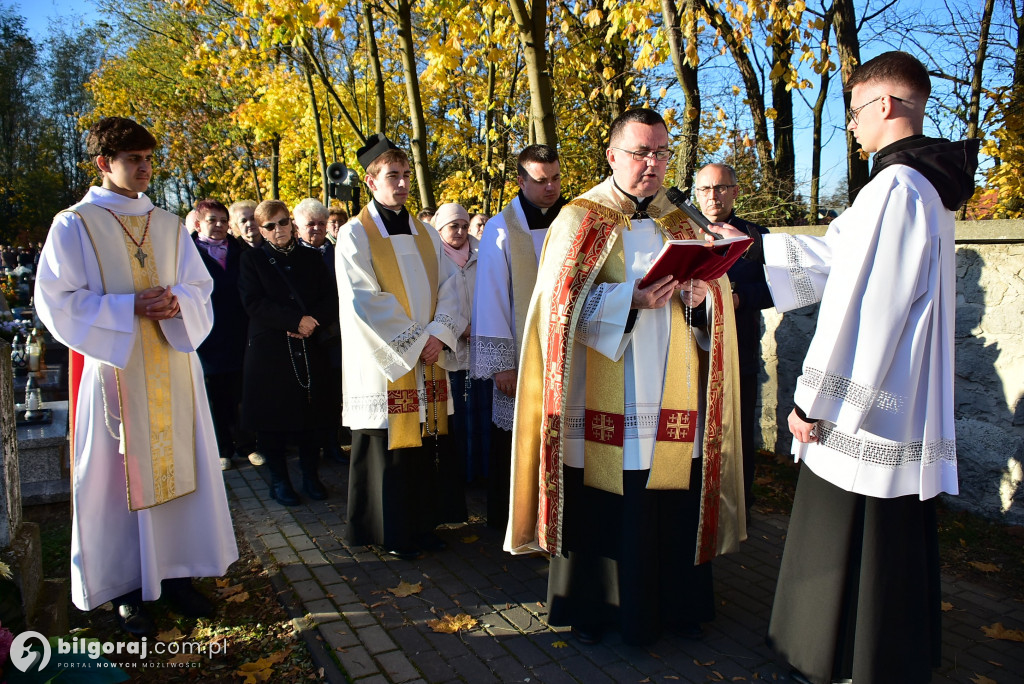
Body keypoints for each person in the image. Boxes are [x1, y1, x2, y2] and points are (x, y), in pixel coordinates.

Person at [716, 52, 977, 684]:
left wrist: (814, 402)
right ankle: (885, 651)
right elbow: (839, 255)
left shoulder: (895, 188)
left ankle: (836, 654)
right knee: (888, 532)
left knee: (850, 526)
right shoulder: (924, 188)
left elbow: (868, 309)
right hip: (900, 397)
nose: (852, 128)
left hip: (869, 404)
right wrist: (746, 251)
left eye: (856, 111)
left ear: (886, 105)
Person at [506, 109, 746, 647]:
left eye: (662, 153)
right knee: (610, 497)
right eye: (641, 153)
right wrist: (628, 300)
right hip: (604, 391)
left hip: (671, 391)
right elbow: (556, 312)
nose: (653, 164)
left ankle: (678, 606)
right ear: (612, 155)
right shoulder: (578, 217)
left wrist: (703, 300)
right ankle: (599, 610)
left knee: (668, 494)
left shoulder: (684, 223)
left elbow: (719, 308)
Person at [34, 117, 237, 637]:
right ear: (105, 164)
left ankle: (177, 576)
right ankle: (125, 589)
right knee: (113, 479)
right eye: (133, 160)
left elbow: (199, 287)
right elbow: (55, 301)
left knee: (183, 464)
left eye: (149, 158)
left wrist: (179, 301)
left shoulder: (169, 224)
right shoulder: (73, 225)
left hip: (173, 367)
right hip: (115, 373)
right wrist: (128, 308)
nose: (145, 168)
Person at [336, 134, 466, 560]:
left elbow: (453, 287)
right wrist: (416, 342)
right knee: (389, 447)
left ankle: (423, 524)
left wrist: (439, 335)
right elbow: (364, 298)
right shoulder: (355, 234)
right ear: (371, 182)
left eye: (406, 175)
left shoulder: (427, 234)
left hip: (428, 358)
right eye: (393, 175)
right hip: (386, 365)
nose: (403, 183)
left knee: (426, 444)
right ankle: (389, 530)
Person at [471, 144, 566, 531]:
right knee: (519, 436)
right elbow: (491, 296)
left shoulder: (575, 219)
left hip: (571, 350)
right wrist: (502, 365)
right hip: (523, 354)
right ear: (521, 181)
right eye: (541, 180)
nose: (551, 188)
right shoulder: (501, 228)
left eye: (556, 178)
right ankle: (516, 520)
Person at [238, 199, 338, 505]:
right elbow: (253, 302)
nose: (278, 229)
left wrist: (312, 323)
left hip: (309, 346)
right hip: (272, 351)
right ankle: (279, 481)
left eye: (283, 222)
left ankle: (310, 476)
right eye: (270, 226)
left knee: (311, 415)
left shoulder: (310, 258)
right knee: (273, 420)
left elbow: (330, 295)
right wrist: (293, 320)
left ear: (291, 224)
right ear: (261, 230)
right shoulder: (251, 260)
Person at [694, 163, 773, 513]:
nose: (713, 195)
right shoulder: (682, 232)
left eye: (721, 187)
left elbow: (775, 288)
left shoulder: (756, 237)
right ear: (696, 194)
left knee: (737, 433)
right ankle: (694, 503)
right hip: (690, 351)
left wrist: (739, 299)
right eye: (706, 189)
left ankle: (738, 507)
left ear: (735, 191)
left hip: (738, 350)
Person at [433, 203, 490, 483]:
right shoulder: (433, 256)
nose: (459, 231)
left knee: (482, 413)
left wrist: (484, 325)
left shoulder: (484, 251)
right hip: (451, 349)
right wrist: (459, 327)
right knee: (458, 415)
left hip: (482, 346)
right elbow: (432, 298)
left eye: (463, 225)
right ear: (440, 228)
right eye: (452, 226)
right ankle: (461, 475)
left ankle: (481, 471)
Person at [190, 199, 249, 471]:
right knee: (216, 395)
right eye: (212, 220)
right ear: (199, 223)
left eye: (223, 221)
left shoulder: (240, 250)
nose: (218, 225)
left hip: (240, 332)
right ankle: (222, 448)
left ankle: (248, 444)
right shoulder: (188, 254)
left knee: (243, 392)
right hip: (207, 335)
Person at [294, 197, 346, 463]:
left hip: (337, 335)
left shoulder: (339, 252)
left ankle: (333, 443)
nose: (316, 229)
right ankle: (311, 450)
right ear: (298, 226)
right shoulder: (292, 255)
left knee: (333, 392)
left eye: (321, 223)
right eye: (310, 224)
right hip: (304, 336)